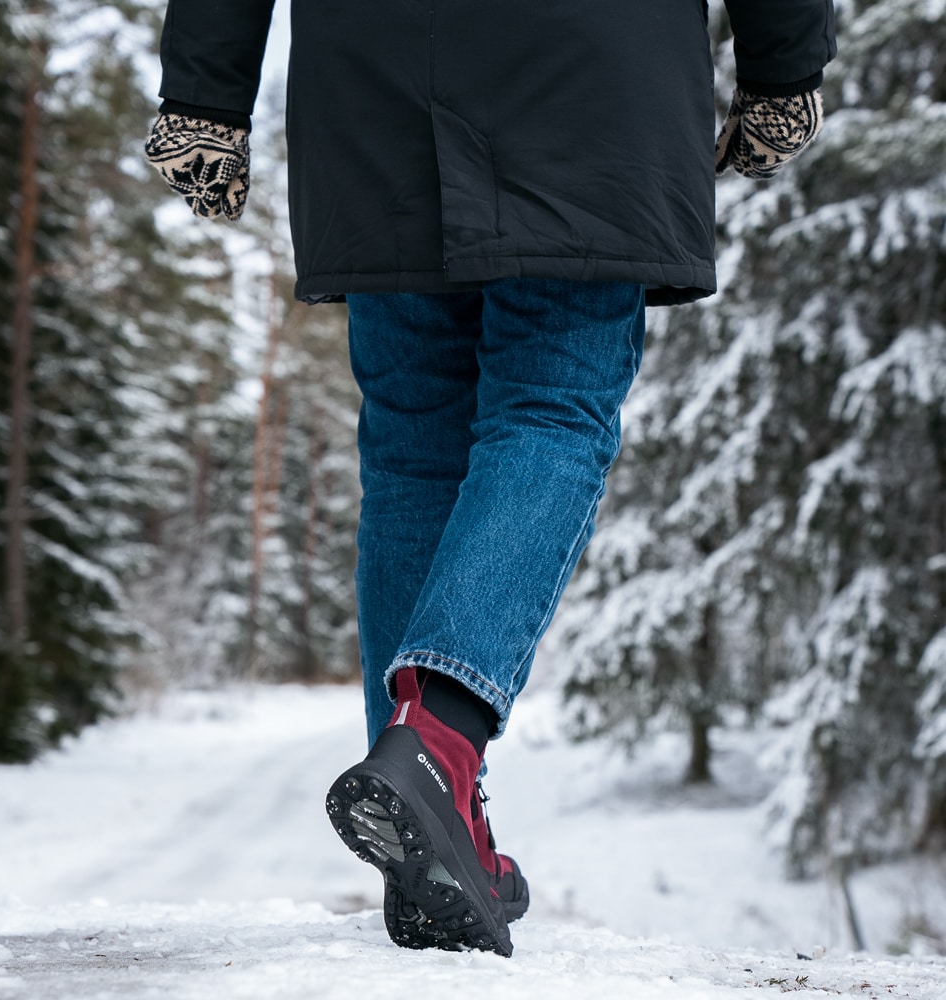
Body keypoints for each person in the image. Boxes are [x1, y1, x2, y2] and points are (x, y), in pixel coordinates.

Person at [146, 0, 837, 957]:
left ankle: (437, 817)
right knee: (551, 406)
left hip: (376, 75)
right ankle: (439, 746)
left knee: (412, 443)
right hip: (594, 69)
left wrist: (206, 93)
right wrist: (784, 66)